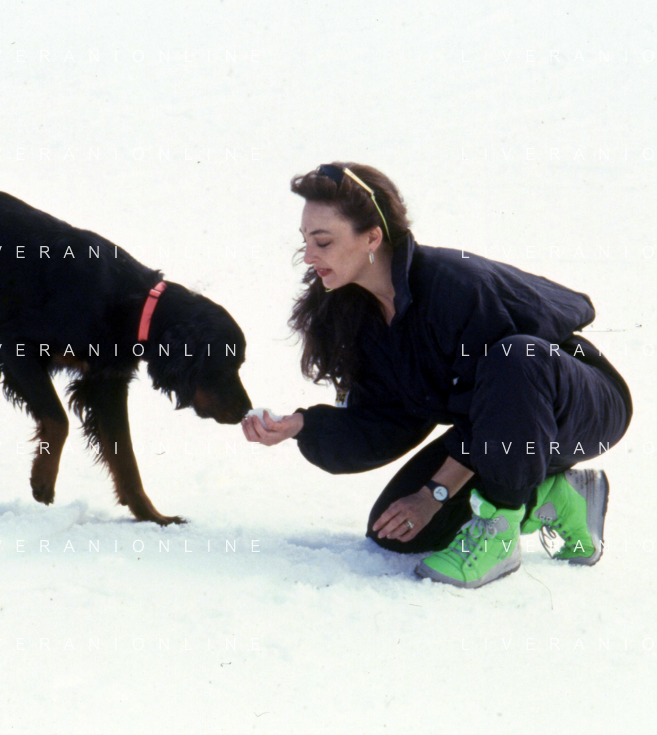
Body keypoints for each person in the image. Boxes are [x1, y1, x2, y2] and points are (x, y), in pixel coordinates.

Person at [241, 163, 633, 589]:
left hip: (576, 405)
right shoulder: (362, 314)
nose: (308, 256)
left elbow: (509, 386)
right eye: (306, 241)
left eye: (323, 242)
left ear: (372, 238)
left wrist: (435, 493)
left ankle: (499, 533)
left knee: (512, 357)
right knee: (396, 530)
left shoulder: (454, 285)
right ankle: (559, 498)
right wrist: (303, 425)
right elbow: (387, 421)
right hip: (501, 430)